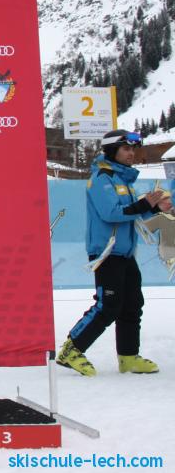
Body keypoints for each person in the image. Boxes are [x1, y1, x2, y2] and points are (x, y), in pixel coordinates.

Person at [56, 129, 172, 376]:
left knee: (132, 304)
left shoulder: (122, 179)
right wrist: (144, 204)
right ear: (112, 151)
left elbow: (130, 212)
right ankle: (71, 349)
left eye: (133, 149)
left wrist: (154, 208)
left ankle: (128, 357)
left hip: (125, 253)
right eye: (126, 149)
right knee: (108, 305)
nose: (131, 154)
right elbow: (111, 213)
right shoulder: (102, 178)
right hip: (106, 253)